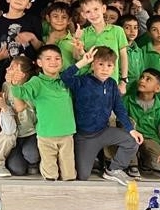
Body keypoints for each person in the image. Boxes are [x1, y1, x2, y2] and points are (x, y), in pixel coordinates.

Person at [62, 46, 144, 185]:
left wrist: (131, 129)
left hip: (103, 132)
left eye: (109, 65)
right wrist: (82, 62)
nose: (105, 69)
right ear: (93, 65)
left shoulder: (111, 84)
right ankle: (93, 158)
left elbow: (119, 108)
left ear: (113, 68)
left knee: (133, 141)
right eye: (100, 64)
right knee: (83, 176)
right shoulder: (82, 81)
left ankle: (113, 170)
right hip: (85, 136)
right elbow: (64, 77)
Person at [9, 45, 76, 180]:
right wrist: (14, 84)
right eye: (48, 58)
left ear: (62, 62)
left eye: (57, 58)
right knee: (50, 174)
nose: (53, 62)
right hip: (46, 135)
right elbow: (21, 93)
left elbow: (80, 71)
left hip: (66, 133)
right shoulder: (36, 82)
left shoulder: (65, 80)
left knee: (69, 174)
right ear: (40, 63)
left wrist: (82, 57)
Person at [124, 68, 160, 179]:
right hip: (130, 137)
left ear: (158, 88)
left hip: (150, 140)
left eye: (148, 79)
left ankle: (144, 160)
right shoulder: (127, 100)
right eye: (142, 77)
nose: (142, 80)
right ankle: (132, 164)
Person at [0, 0, 43, 84]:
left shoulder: (33, 21)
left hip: (29, 74)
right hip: (5, 73)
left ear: (28, 4)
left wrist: (32, 38)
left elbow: (41, 48)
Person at [76, 0, 129, 89]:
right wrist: (78, 44)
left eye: (96, 9)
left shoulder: (117, 30)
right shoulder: (82, 33)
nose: (93, 14)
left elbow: (123, 56)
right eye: (88, 11)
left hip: (111, 82)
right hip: (88, 83)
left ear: (103, 9)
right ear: (83, 15)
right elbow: (77, 57)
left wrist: (124, 80)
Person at [3, 56, 41, 176]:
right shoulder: (5, 86)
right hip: (14, 134)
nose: (7, 69)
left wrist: (15, 85)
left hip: (30, 133)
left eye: (12, 68)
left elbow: (19, 107)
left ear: (22, 74)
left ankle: (33, 163)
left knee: (32, 155)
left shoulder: (31, 87)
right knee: (17, 169)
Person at [45, 2, 76, 69]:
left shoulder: (75, 40)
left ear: (69, 20)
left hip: (71, 74)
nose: (59, 20)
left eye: (64, 17)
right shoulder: (44, 39)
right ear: (48, 18)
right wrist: (50, 41)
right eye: (55, 16)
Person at [118, 14, 144, 95]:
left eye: (135, 27)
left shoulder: (138, 51)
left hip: (135, 91)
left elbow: (141, 71)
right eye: (127, 27)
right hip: (120, 89)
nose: (132, 31)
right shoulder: (116, 49)